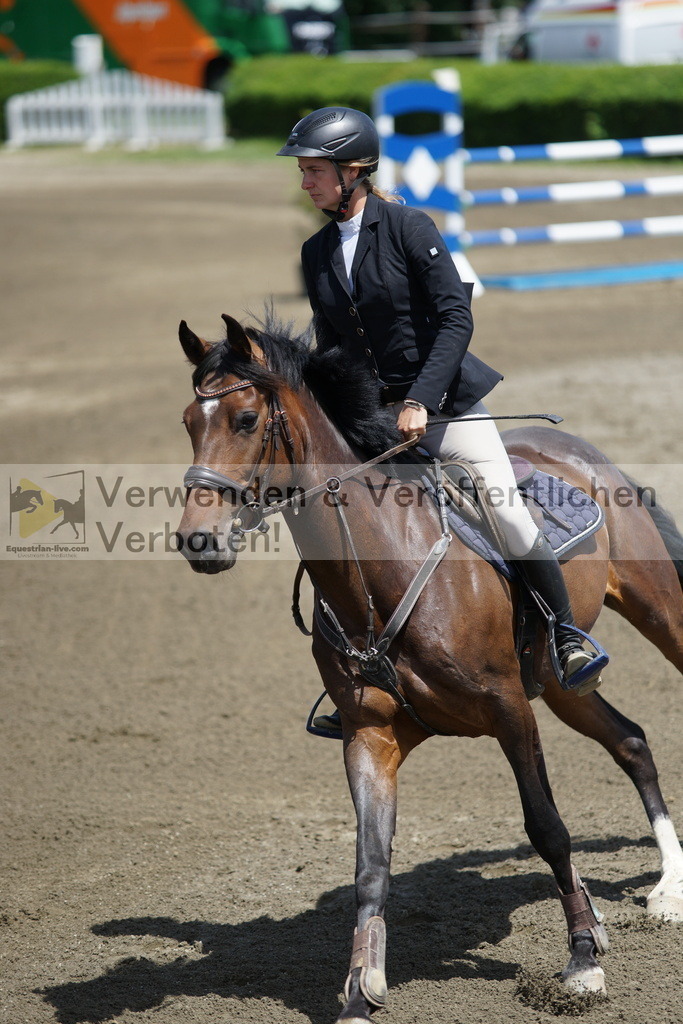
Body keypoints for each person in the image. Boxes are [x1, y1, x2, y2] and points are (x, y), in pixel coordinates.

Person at [277, 106, 605, 725]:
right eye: (303, 172)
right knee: (334, 518)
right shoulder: (315, 251)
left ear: (353, 172)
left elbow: (456, 318)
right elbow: (330, 347)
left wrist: (420, 400)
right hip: (373, 421)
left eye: (314, 171)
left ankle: (566, 636)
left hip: (443, 405)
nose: (305, 184)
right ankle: (358, 668)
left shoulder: (408, 227)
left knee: (501, 503)